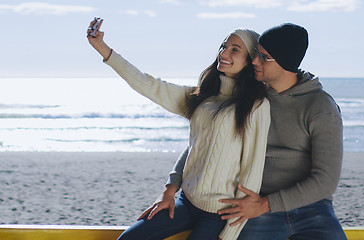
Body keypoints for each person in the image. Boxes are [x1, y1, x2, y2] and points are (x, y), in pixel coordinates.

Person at [86, 20, 270, 240]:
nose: (224, 53)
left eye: (235, 50)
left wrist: (230, 233)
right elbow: (149, 85)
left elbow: (252, 171)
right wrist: (170, 189)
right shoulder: (202, 97)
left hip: (220, 214)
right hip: (186, 201)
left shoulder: (256, 106)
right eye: (223, 46)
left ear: (250, 61)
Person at [171, 23, 347, 239]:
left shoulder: (321, 107)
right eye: (256, 54)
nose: (254, 61)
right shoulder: (250, 97)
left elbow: (326, 181)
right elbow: (204, 141)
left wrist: (266, 204)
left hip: (310, 207)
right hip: (253, 204)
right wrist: (173, 183)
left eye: (264, 57)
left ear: (285, 62)